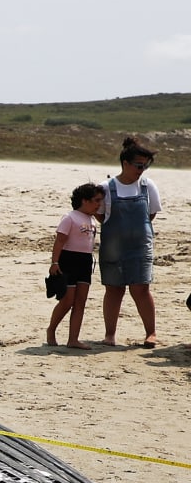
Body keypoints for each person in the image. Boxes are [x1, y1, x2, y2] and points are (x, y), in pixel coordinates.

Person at [99, 137, 161, 348]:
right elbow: (100, 216)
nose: (142, 170)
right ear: (125, 163)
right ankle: (110, 334)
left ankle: (151, 333)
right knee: (114, 289)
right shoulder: (106, 187)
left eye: (145, 166)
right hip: (113, 247)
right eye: (138, 165)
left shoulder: (147, 185)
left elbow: (150, 214)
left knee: (141, 289)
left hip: (140, 246)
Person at [46, 183, 104, 349]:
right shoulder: (70, 217)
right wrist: (54, 262)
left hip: (85, 261)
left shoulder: (91, 219)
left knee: (80, 301)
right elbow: (60, 241)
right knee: (67, 300)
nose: (99, 204)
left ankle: (73, 339)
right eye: (96, 200)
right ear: (84, 200)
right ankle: (51, 330)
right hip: (68, 260)